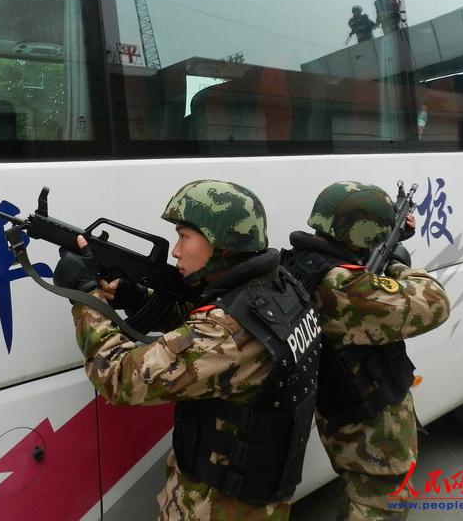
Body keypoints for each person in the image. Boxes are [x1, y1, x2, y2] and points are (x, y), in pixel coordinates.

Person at [53, 179, 321, 521]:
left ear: (221, 242)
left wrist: (85, 295)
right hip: (255, 499)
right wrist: (135, 297)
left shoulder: (225, 335)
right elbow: (203, 328)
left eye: (184, 236)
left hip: (215, 508)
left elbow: (118, 378)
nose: (176, 251)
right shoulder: (280, 289)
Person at [281, 181, 451, 520]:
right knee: (378, 505)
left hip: (343, 411)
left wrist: (385, 242)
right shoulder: (346, 287)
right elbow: (436, 303)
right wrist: (397, 264)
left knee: (358, 497)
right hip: (372, 428)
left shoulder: (300, 263)